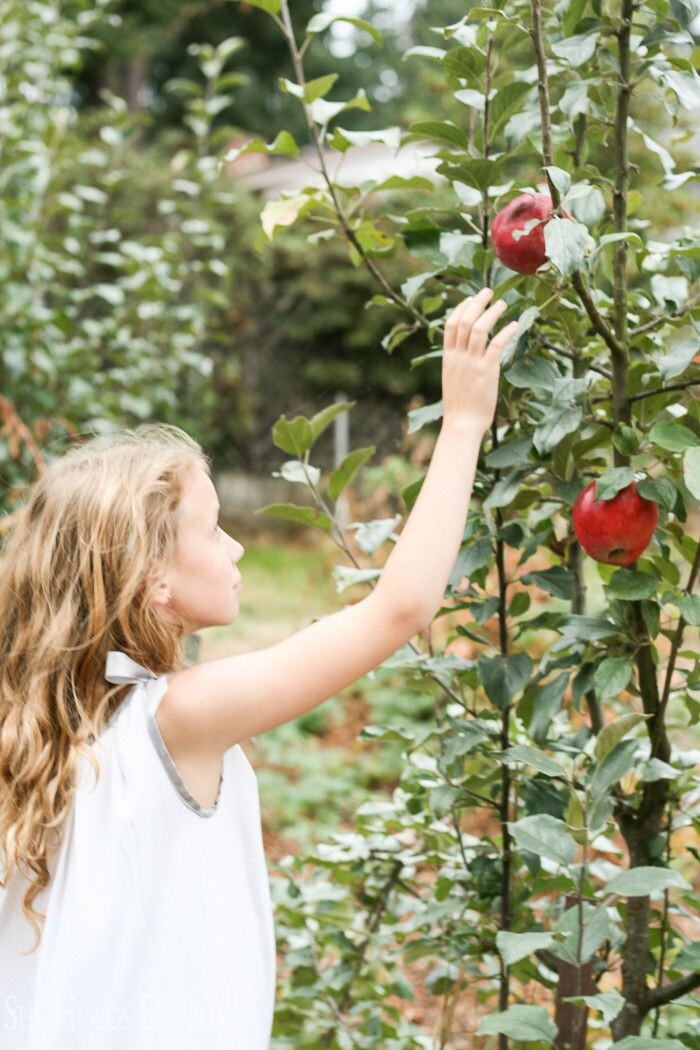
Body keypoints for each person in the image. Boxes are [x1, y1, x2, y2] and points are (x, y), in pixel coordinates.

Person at [0, 287, 519, 1048]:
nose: (238, 548)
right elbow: (400, 610)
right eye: (214, 533)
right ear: (154, 579)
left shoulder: (39, 729)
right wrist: (466, 421)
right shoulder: (175, 719)